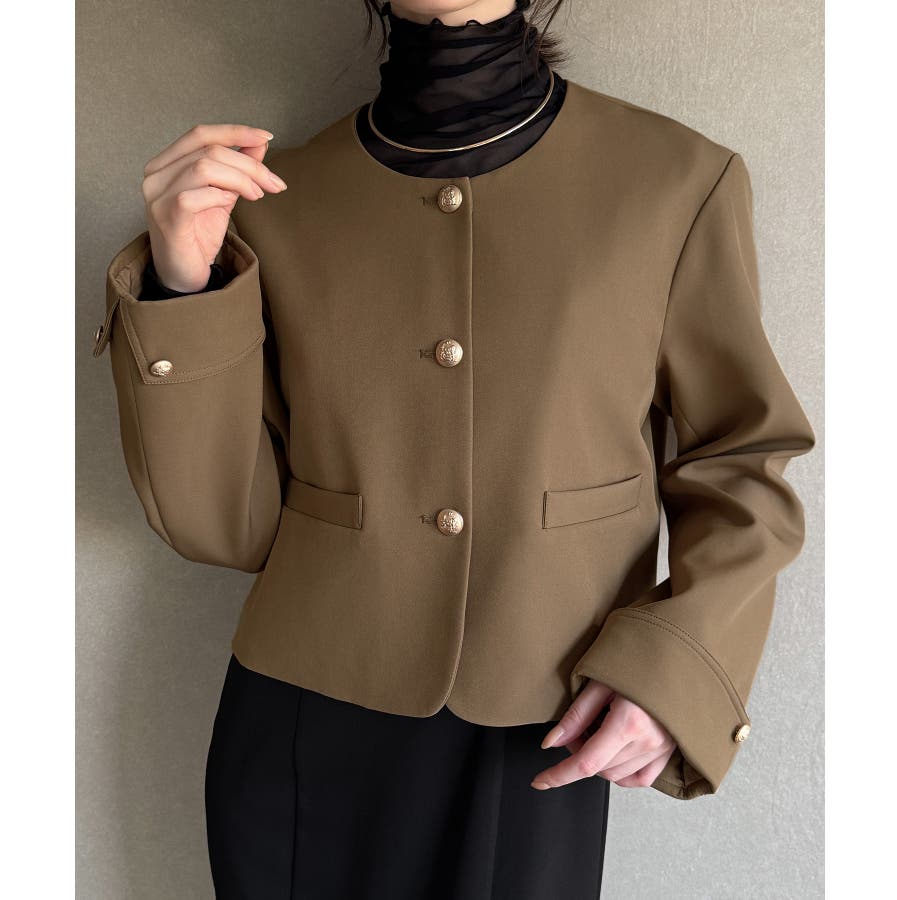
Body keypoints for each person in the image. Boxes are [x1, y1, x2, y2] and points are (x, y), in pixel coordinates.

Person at [94, 1, 816, 897]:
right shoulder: (272, 202)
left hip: (540, 720)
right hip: (298, 727)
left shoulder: (676, 181)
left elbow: (741, 457)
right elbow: (224, 527)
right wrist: (182, 287)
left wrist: (675, 669)